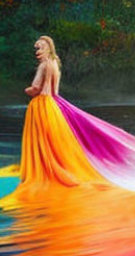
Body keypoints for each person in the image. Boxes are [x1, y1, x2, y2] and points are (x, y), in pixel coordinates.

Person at [14, 35, 103, 193]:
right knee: (53, 139)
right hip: (52, 105)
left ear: (48, 48)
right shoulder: (55, 64)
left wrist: (25, 90)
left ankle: (43, 170)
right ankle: (58, 167)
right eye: (37, 48)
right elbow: (55, 91)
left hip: (40, 104)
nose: (37, 50)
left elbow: (35, 88)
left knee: (40, 139)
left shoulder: (43, 66)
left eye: (40, 47)